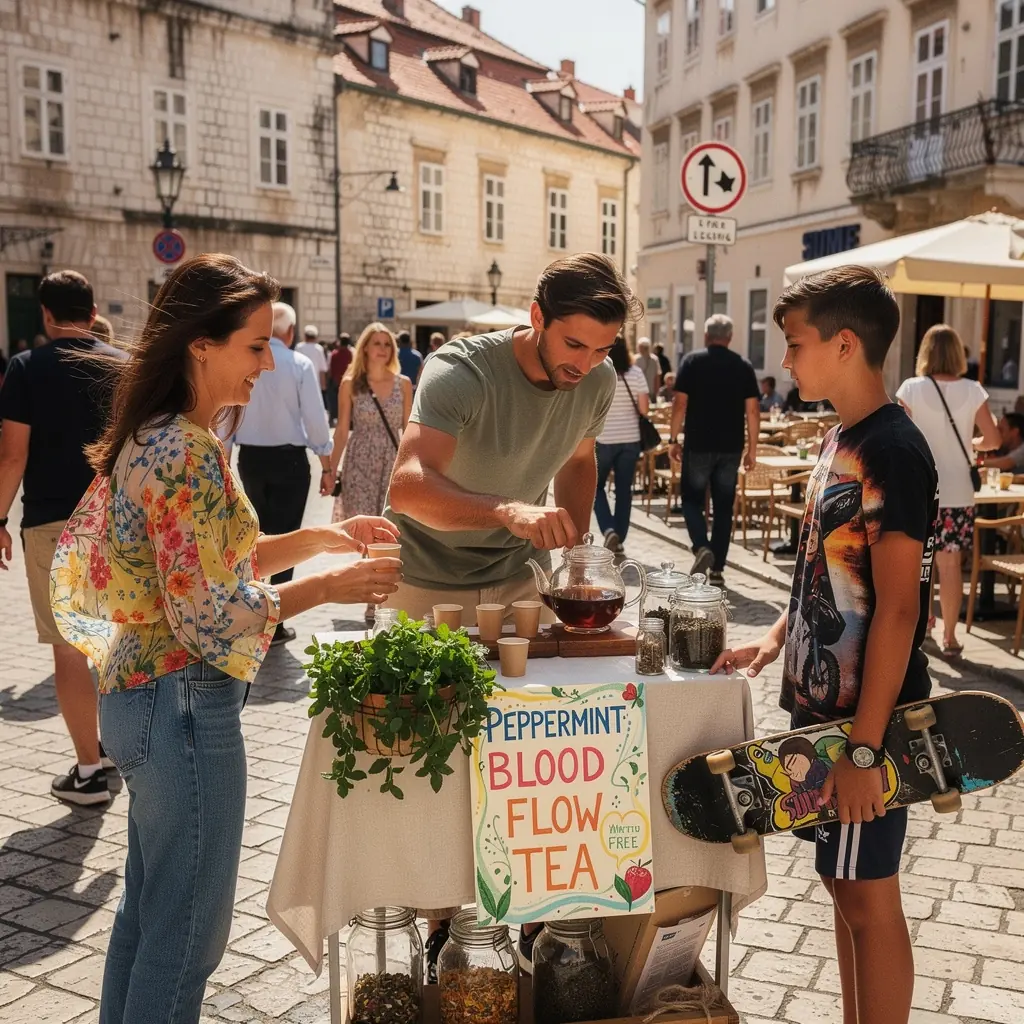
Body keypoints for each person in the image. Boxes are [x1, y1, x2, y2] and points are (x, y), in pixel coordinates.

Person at [49, 253, 401, 1024]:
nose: (269, 359)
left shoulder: (160, 434)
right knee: (186, 939)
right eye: (253, 344)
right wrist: (331, 589)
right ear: (199, 345)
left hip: (141, 704)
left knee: (148, 917)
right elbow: (208, 611)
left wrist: (320, 543)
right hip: (184, 707)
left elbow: (209, 560)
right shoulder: (187, 450)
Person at [384, 252, 640, 975]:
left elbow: (581, 461)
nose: (586, 363)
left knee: (521, 755)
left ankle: (525, 917)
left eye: (601, 349)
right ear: (537, 319)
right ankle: (438, 923)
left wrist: (571, 547)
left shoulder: (595, 381)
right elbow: (406, 486)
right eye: (573, 345)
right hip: (423, 581)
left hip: (514, 580)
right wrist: (509, 511)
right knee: (433, 759)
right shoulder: (461, 372)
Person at [713, 265, 938, 1024]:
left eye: (795, 343)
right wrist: (772, 643)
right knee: (846, 889)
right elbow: (827, 570)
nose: (785, 360)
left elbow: (901, 611)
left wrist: (865, 751)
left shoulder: (895, 451)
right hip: (826, 717)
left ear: (845, 344)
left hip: (861, 727)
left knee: (869, 901)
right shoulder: (841, 438)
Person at [0, 270, 126, 806]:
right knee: (115, 638)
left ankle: (90, 771)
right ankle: (121, 749)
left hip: (54, 522)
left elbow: (13, 454)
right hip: (120, 520)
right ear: (94, 311)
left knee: (70, 646)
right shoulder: (123, 366)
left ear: (47, 315)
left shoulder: (26, 368)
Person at [232, 302, 333, 647]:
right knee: (287, 537)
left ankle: (254, 608)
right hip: (290, 460)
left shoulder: (242, 360)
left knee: (255, 534)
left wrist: (226, 454)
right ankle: (277, 618)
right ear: (290, 332)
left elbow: (228, 416)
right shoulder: (300, 364)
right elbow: (316, 419)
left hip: (251, 459)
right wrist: (327, 462)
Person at [896, 325, 1000, 656]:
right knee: (951, 565)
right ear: (957, 354)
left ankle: (922, 624)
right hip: (957, 490)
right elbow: (994, 440)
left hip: (919, 486)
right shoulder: (973, 390)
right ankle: (951, 636)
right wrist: (969, 445)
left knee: (917, 562)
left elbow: (900, 437)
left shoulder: (910, 388)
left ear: (925, 352)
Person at [328, 323, 412, 620]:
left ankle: (380, 597)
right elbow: (341, 430)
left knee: (387, 531)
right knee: (368, 533)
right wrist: (330, 469)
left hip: (391, 462)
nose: (382, 348)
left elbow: (408, 432)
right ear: (364, 347)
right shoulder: (351, 384)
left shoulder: (403, 384)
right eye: (376, 343)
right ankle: (373, 595)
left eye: (387, 344)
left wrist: (413, 469)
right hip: (360, 462)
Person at [668, 314, 759, 584]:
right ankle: (717, 568)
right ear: (729, 338)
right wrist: (752, 448)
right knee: (723, 507)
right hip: (731, 447)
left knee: (691, 500)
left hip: (698, 443)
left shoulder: (693, 362)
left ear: (706, 336)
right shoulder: (743, 366)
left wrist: (673, 438)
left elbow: (680, 404)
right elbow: (753, 410)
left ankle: (701, 546)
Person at [594, 336, 648, 553]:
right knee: (624, 490)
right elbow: (644, 409)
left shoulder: (598, 371)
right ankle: (620, 535)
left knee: (596, 488)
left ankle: (608, 529)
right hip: (630, 440)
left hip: (604, 438)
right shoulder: (636, 374)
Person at [296, 323, 330, 408]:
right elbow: (322, 369)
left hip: (300, 382)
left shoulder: (299, 347)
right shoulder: (318, 349)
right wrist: (323, 386)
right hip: (315, 383)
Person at [328, 332, 353, 424]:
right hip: (349, 381)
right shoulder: (351, 353)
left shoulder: (334, 354)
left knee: (335, 401)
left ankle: (334, 418)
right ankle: (349, 420)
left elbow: (331, 368)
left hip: (336, 381)